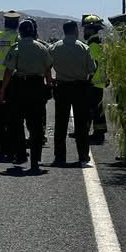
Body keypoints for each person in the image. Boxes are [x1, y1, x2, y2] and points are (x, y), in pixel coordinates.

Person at [0, 19, 53, 173]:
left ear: (21, 32)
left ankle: (21, 154)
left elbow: (9, 71)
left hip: (19, 87)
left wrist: (3, 90)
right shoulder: (42, 48)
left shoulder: (16, 48)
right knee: (36, 125)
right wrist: (49, 85)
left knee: (16, 123)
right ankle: (35, 160)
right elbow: (48, 69)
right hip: (36, 87)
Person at [49, 20, 96, 166]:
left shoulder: (54, 47)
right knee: (81, 123)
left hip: (62, 87)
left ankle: (59, 156)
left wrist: (52, 79)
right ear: (75, 30)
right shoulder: (84, 47)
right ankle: (83, 155)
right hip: (80, 88)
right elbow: (91, 69)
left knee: (60, 123)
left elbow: (47, 66)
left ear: (64, 31)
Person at [0, 10, 20, 158]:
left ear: (5, 23)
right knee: (13, 117)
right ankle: (13, 148)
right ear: (17, 23)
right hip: (12, 82)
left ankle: (1, 149)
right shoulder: (17, 38)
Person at [83, 14, 107, 142]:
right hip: (99, 81)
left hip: (94, 82)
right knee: (97, 108)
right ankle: (99, 132)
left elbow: (93, 64)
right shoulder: (98, 42)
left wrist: (88, 79)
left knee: (93, 109)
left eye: (86, 28)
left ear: (91, 29)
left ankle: (97, 135)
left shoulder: (92, 44)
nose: (84, 31)